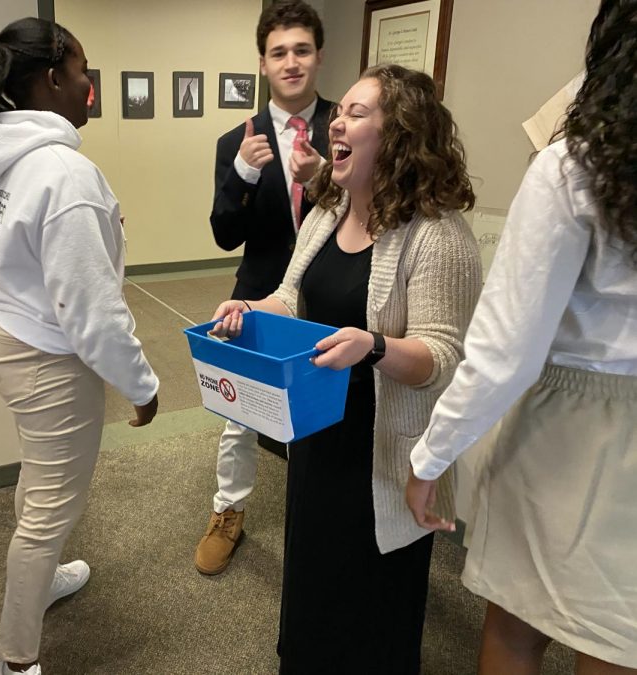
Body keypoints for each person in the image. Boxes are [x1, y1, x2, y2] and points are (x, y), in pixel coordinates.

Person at [210, 64, 482, 672]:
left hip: (384, 451)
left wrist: (374, 345)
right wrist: (249, 309)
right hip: (319, 437)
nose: (338, 119)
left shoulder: (437, 234)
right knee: (315, 585)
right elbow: (289, 295)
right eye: (341, 111)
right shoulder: (327, 213)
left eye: (357, 113)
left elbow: (442, 359)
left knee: (370, 606)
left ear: (401, 135)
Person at [406, 1, 637, 672]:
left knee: (517, 624)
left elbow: (504, 352)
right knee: (617, 638)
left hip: (574, 426)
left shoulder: (576, 168)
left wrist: (430, 456)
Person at [0, 17, 159, 675]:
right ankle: (16, 660)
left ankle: (48, 576)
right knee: (47, 506)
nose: (88, 85)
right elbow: (91, 311)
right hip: (46, 356)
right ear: (50, 77)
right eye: (82, 72)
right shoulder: (64, 172)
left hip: (2, 331)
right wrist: (143, 384)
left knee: (41, 477)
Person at [196, 0, 335, 576]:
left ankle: (324, 517)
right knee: (239, 412)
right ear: (262, 63)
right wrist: (245, 177)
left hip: (332, 290)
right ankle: (228, 511)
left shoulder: (346, 126)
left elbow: (375, 213)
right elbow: (225, 234)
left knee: (328, 407)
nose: (292, 62)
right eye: (279, 52)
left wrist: (323, 176)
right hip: (258, 289)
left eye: (302, 50)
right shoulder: (238, 139)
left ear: (318, 57)